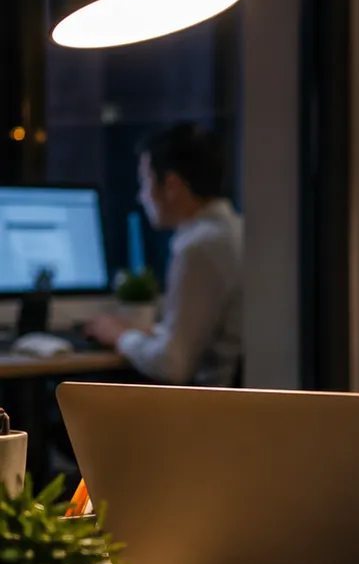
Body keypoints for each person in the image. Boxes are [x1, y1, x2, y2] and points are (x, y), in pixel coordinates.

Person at [85, 123, 243, 387]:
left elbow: (174, 366)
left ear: (172, 185)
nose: (141, 196)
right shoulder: (234, 230)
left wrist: (119, 336)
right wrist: (150, 332)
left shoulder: (200, 246)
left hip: (212, 407)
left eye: (145, 183)